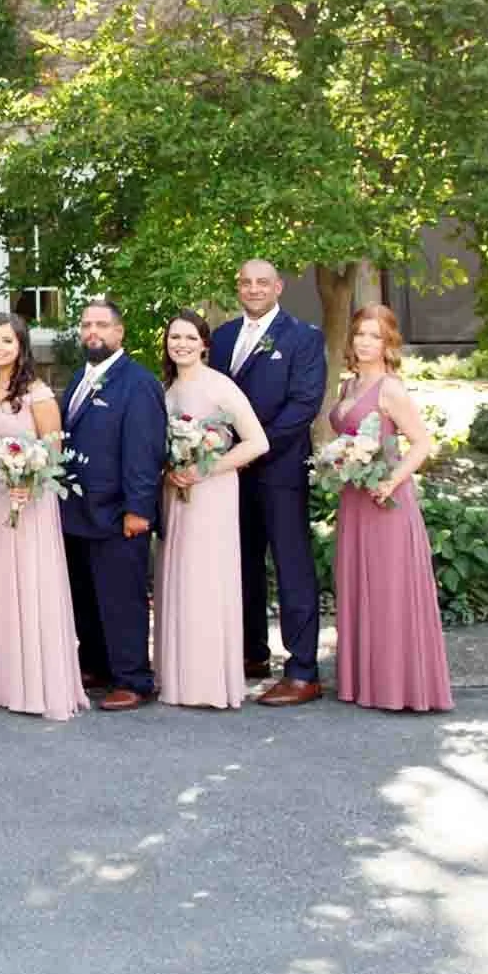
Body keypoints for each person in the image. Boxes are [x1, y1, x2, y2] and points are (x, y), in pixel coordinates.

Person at [208, 260, 329, 703]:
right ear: (237, 287)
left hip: (280, 470)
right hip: (230, 474)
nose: (254, 289)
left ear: (278, 287)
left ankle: (302, 671)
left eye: (263, 282)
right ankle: (251, 653)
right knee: (241, 565)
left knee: (291, 567)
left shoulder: (304, 338)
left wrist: (252, 451)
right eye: (245, 282)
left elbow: (303, 406)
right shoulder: (220, 339)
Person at [328, 305, 454, 713]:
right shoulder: (348, 387)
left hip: (386, 502)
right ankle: (364, 680)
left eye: (375, 336)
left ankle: (398, 686)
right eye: (360, 334)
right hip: (354, 499)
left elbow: (420, 442)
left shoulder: (390, 388)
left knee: (388, 589)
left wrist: (391, 480)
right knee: (357, 584)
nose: (365, 342)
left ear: (388, 343)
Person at [0, 313, 86, 721]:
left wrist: (29, 482)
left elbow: (52, 450)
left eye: (8, 341)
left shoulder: (37, 393)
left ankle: (31, 682)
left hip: (24, 497)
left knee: (26, 584)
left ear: (21, 347)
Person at [60, 297, 169, 711]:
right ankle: (99, 665)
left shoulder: (137, 382)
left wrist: (139, 510)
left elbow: (145, 452)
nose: (92, 332)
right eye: (87, 324)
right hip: (80, 512)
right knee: (88, 594)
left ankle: (134, 678)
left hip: (120, 513)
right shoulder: (79, 379)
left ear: (119, 333)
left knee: (122, 597)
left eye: (102, 325)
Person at [157, 310, 269, 711]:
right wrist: (171, 468)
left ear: (205, 344)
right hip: (176, 494)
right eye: (174, 338)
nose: (181, 344)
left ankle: (209, 681)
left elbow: (257, 443)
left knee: (206, 581)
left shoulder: (221, 386)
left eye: (189, 337)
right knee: (179, 578)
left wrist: (204, 470)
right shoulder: (165, 388)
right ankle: (178, 677)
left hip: (212, 494)